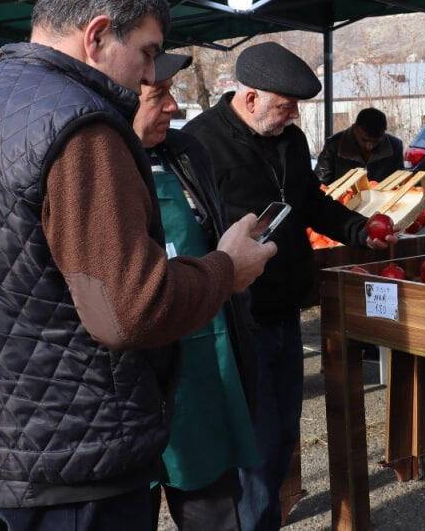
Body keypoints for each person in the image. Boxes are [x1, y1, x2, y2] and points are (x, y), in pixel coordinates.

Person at [0, 0, 275, 530]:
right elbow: (131, 311)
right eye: (148, 52)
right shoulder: (83, 127)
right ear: (98, 34)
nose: (151, 77)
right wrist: (228, 267)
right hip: (76, 471)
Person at [182, 42, 395, 531]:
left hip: (285, 316)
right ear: (250, 97)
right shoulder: (199, 144)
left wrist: (359, 232)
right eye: (284, 105)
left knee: (281, 440)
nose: (292, 115)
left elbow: (310, 204)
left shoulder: (291, 141)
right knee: (252, 450)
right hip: (237, 321)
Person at [134, 53, 260, 531]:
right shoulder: (94, 164)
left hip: (203, 360)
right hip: (132, 373)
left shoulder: (184, 153)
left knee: (213, 509)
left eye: (172, 92)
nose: (173, 106)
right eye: (158, 95)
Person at [314, 106, 405, 184]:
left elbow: (400, 181)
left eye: (376, 141)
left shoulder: (395, 146)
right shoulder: (334, 145)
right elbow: (319, 184)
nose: (369, 146)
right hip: (341, 202)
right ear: (355, 129)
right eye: (364, 140)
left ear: (384, 132)